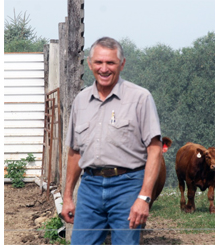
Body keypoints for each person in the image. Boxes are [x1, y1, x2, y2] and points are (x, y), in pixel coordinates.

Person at [61, 37, 162, 245]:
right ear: (90, 64)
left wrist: (144, 197)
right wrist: (68, 196)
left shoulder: (140, 98)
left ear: (122, 64)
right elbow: (75, 152)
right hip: (89, 186)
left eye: (110, 63)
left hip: (127, 185)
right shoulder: (80, 101)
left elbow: (155, 150)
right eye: (98, 62)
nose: (104, 69)